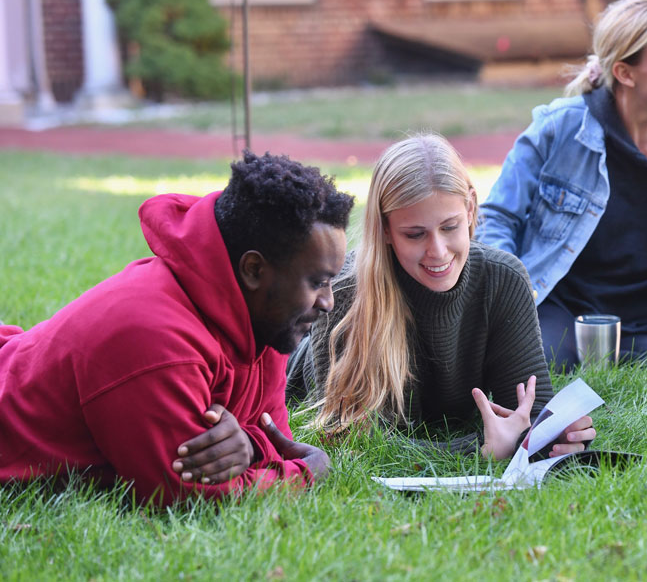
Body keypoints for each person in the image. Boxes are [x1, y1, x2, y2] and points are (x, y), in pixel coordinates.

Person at [0, 152, 354, 505]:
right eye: (317, 282)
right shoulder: (153, 341)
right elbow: (184, 494)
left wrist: (248, 445)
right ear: (254, 270)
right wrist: (312, 471)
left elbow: (275, 442)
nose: (328, 302)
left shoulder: (267, 324)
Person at [286, 134, 595, 460]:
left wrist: (555, 433)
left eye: (450, 227)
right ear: (386, 230)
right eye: (415, 234)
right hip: (304, 366)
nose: (437, 251)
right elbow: (350, 440)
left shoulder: (503, 279)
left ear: (471, 208)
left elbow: (528, 415)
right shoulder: (346, 292)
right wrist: (481, 449)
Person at [476, 0, 647, 372]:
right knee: (545, 362)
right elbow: (497, 216)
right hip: (564, 310)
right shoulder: (559, 128)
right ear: (625, 73)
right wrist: (512, 293)